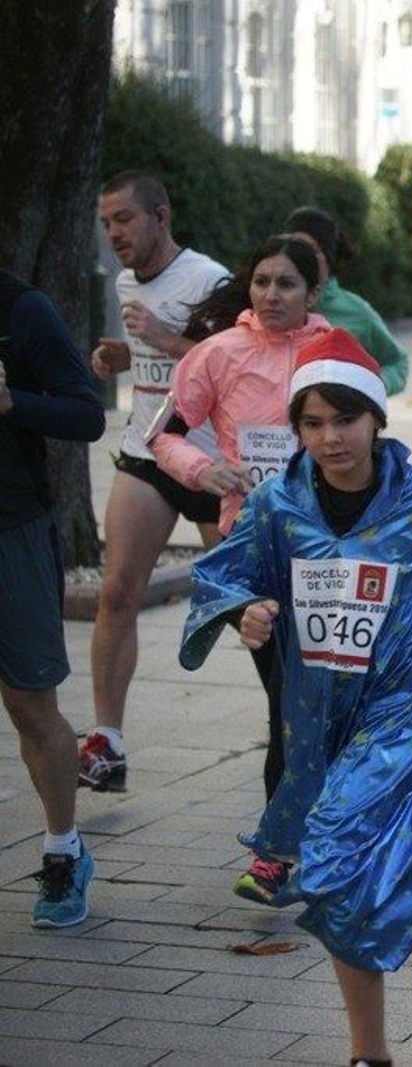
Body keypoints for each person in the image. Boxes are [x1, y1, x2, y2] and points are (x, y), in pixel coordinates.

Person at [180, 331, 412, 1066]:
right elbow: (223, 573)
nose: (331, 437)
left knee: (331, 859)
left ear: (375, 419)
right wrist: (245, 611)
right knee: (371, 869)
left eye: (346, 418)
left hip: (408, 702)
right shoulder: (275, 502)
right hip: (318, 710)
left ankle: (369, 1055)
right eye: (313, 422)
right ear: (297, 428)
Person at [151, 233, 330, 903]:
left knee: (302, 701)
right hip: (252, 550)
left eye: (287, 283)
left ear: (312, 292)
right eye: (262, 282)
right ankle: (279, 851)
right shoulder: (218, 353)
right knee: (288, 698)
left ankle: (299, 839)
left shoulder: (334, 352)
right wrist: (204, 468)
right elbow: (161, 433)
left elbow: (374, 432)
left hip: (327, 557)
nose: (272, 294)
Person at [81, 172, 230, 793]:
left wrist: (165, 340)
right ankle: (107, 742)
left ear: (160, 217)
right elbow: (158, 358)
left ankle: (295, 730)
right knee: (116, 591)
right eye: (107, 221)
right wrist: (124, 353)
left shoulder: (209, 280)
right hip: (147, 452)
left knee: (250, 604)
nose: (113, 233)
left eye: (124, 219)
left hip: (213, 462)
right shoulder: (122, 280)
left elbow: (230, 360)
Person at [0, 271, 107, 927]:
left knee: (30, 704)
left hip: (10, 527)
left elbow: (87, 413)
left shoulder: (21, 309)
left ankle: (63, 850)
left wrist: (13, 402)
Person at [283, 206, 409, 396]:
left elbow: (397, 363)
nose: (303, 257)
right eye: (296, 248)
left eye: (313, 249)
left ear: (328, 257)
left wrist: (369, 388)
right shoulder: (269, 303)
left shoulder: (357, 312)